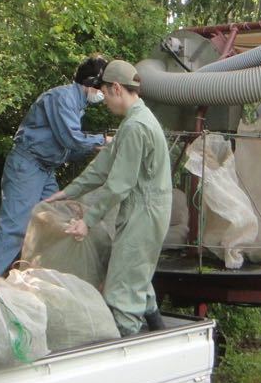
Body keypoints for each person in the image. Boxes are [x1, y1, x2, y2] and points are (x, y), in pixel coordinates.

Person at [46, 60, 171, 336]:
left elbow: (118, 184)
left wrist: (87, 221)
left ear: (116, 88)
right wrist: (69, 192)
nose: (103, 101)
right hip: (143, 212)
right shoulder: (134, 122)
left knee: (121, 290)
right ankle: (160, 333)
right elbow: (103, 166)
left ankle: (125, 356)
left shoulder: (137, 127)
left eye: (105, 93)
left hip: (144, 214)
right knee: (133, 274)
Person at [0, 56, 109, 277]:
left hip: (45, 169)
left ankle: (38, 275)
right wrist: (102, 141)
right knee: (16, 226)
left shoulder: (77, 104)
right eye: (104, 87)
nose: (105, 94)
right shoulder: (62, 97)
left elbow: (67, 148)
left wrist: (97, 149)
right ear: (91, 83)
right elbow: (71, 140)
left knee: (55, 217)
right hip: (27, 165)